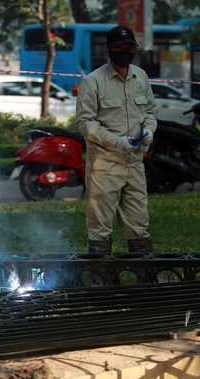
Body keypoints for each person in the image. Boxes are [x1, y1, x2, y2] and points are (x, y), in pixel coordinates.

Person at [75, 25, 157, 285]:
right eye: (119, 47)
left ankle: (145, 279)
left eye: (129, 47)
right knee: (100, 225)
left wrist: (149, 131)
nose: (124, 52)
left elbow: (151, 112)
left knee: (138, 223)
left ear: (135, 49)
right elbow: (85, 123)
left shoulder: (141, 76)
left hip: (134, 163)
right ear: (107, 49)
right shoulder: (93, 81)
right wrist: (116, 141)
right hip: (105, 163)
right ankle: (101, 280)